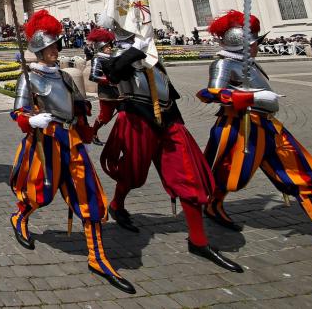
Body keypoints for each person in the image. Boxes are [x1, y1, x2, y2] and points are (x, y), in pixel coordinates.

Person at [97, 24, 242, 273]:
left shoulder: (152, 57)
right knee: (133, 176)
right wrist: (135, 51)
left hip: (168, 121)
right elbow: (113, 74)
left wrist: (177, 124)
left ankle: (198, 240)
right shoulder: (112, 57)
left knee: (189, 177)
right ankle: (117, 205)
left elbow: (167, 91)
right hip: (136, 121)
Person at [8, 10, 134, 294]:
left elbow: (78, 107)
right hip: (44, 142)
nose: (56, 50)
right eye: (51, 47)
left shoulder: (64, 77)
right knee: (40, 192)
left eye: (56, 46)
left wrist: (86, 128)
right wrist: (30, 120)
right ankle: (20, 217)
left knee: (89, 195)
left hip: (71, 141)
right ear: (40, 50)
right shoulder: (28, 78)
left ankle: (97, 258)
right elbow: (17, 112)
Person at [197, 11, 312, 254]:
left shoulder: (250, 63)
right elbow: (208, 93)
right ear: (241, 44)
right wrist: (249, 96)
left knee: (301, 175)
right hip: (240, 127)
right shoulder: (223, 63)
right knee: (228, 174)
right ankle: (213, 205)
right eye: (254, 43)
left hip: (267, 125)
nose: (257, 47)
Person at [86, 28, 118, 146]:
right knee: (105, 117)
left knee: (126, 114)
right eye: (106, 46)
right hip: (107, 93)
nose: (109, 47)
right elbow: (93, 76)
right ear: (100, 48)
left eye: (110, 45)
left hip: (120, 92)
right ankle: (93, 133)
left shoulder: (114, 57)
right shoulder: (97, 58)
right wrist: (110, 81)